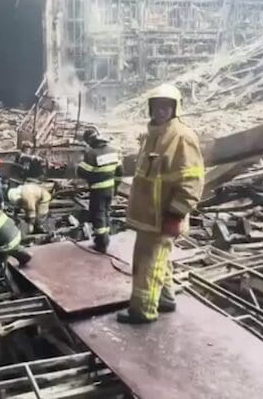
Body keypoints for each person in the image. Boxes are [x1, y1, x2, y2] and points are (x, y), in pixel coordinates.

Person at [118, 84, 204, 324]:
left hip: (162, 216)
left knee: (147, 263)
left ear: (176, 108)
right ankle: (165, 298)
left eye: (166, 106)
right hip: (149, 215)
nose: (161, 111)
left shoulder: (182, 137)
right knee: (158, 260)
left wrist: (176, 214)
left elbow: (192, 179)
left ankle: (143, 310)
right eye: (157, 106)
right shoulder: (154, 134)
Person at [76, 129, 123, 253]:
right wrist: (116, 187)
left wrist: (79, 166)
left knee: (98, 215)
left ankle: (101, 244)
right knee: (106, 213)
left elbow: (83, 172)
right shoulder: (113, 151)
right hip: (110, 189)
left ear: (90, 141)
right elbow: (120, 172)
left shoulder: (91, 154)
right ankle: (106, 240)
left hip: (98, 190)